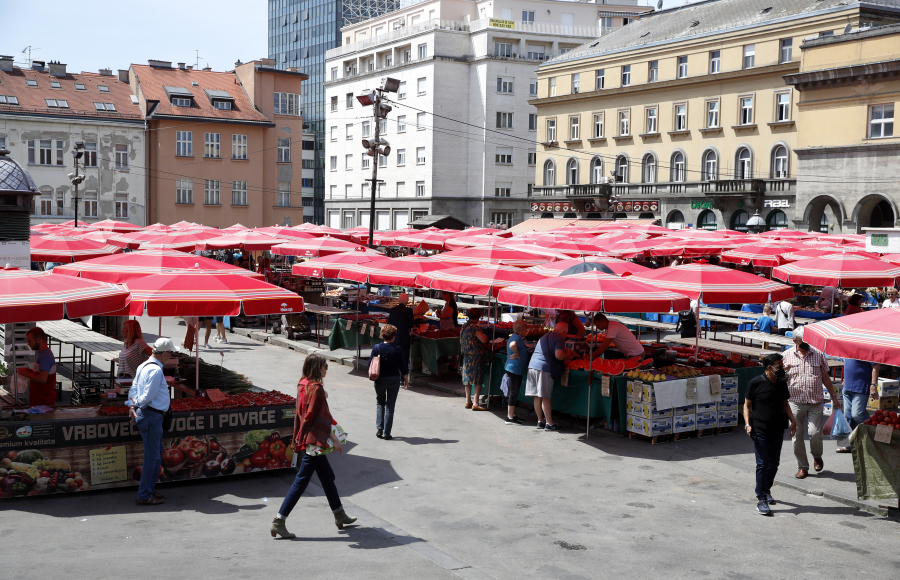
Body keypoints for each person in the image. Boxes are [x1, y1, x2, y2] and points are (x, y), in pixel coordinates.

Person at [271, 354, 356, 538]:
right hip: (314, 440)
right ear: (318, 367)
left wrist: (298, 435)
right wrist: (333, 438)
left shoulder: (303, 383)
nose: (327, 368)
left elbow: (303, 412)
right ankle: (279, 520)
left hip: (309, 438)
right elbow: (317, 417)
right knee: (301, 482)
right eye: (326, 365)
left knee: (327, 478)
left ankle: (339, 514)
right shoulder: (316, 388)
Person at [782, 327, 841, 479]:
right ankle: (802, 466)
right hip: (795, 401)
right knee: (797, 435)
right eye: (803, 343)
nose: (806, 346)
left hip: (815, 401)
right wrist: (784, 372)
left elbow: (825, 377)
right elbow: (778, 379)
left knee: (814, 432)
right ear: (794, 341)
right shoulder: (786, 356)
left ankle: (817, 455)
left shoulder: (818, 354)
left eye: (808, 343)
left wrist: (834, 396)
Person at [744, 353, 797, 516]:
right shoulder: (756, 383)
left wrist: (793, 421)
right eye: (779, 366)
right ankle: (761, 499)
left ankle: (766, 490)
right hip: (759, 429)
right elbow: (747, 405)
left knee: (774, 464)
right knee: (762, 464)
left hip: (777, 429)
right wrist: (747, 424)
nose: (782, 369)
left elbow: (785, 404)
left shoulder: (781, 383)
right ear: (769, 367)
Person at [128, 337, 177, 506]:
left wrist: (132, 404)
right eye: (170, 353)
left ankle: (148, 489)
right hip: (151, 416)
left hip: (148, 416)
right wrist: (136, 404)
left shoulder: (143, 366)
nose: (170, 356)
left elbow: (133, 389)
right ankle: (144, 494)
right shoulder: (156, 371)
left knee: (155, 455)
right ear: (163, 354)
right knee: (152, 457)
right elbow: (147, 396)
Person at [526, 322, 575, 431]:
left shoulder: (545, 336)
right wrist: (568, 356)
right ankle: (550, 423)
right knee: (545, 397)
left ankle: (540, 421)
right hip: (544, 368)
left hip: (532, 366)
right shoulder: (558, 338)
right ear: (565, 332)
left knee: (537, 396)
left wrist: (569, 351)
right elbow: (559, 355)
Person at [368, 324, 409, 440]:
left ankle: (379, 429)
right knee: (390, 406)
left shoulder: (376, 348)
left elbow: (369, 364)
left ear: (382, 335)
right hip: (393, 380)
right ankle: (387, 433)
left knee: (380, 402)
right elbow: (402, 366)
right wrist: (406, 379)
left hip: (379, 379)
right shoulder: (398, 349)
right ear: (394, 336)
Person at [836, 359, 880, 453]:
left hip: (860, 387)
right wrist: (844, 379)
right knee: (849, 417)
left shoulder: (867, 348)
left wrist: (873, 385)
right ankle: (850, 445)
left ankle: (879, 434)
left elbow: (876, 366)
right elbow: (849, 364)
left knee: (857, 415)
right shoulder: (850, 346)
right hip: (847, 387)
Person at [16, 327, 57, 406]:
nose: (28, 344)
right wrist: (28, 371)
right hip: (40, 401)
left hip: (43, 402)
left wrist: (27, 374)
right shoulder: (42, 354)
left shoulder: (45, 356)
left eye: (30, 341)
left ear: (38, 340)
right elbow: (42, 373)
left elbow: (43, 379)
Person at [460, 308, 489, 411]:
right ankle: (476, 403)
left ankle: (468, 401)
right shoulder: (474, 327)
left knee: (467, 379)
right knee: (477, 380)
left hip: (466, 355)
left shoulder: (464, 326)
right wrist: (485, 335)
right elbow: (483, 340)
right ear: (477, 317)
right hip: (475, 356)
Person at [504, 319, 530, 425]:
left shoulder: (515, 337)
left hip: (514, 368)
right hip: (515, 369)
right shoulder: (517, 338)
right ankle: (509, 417)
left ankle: (512, 415)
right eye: (525, 328)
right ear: (520, 329)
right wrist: (516, 352)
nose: (527, 330)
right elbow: (512, 344)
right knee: (513, 392)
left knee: (513, 392)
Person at [387, 293, 414, 364]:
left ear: (399, 300)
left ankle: (394, 373)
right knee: (403, 360)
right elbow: (411, 324)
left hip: (394, 338)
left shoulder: (392, 310)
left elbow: (388, 324)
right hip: (404, 339)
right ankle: (403, 375)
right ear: (406, 301)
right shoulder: (409, 311)